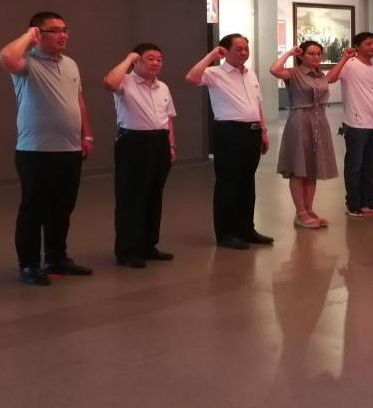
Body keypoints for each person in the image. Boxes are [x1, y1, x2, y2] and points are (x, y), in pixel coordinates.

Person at [0, 13, 94, 286]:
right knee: (34, 209)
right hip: (36, 151)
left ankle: (56, 258)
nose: (63, 35)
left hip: (69, 149)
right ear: (38, 34)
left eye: (65, 30)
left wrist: (86, 134)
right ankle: (28, 264)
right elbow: (5, 57)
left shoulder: (71, 64)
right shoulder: (25, 62)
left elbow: (78, 101)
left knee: (62, 208)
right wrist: (29, 37)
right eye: (54, 31)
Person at [185, 33, 273, 250]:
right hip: (229, 132)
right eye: (238, 49)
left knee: (247, 182)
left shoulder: (251, 74)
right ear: (225, 51)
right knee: (228, 182)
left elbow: (256, 104)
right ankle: (226, 233)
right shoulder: (214, 73)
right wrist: (212, 56)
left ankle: (246, 229)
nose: (244, 52)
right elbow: (191, 78)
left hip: (252, 131)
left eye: (246, 48)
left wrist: (263, 130)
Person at [103, 43, 177, 268]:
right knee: (130, 197)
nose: (156, 63)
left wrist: (171, 146)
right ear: (137, 60)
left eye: (159, 59)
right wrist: (128, 59)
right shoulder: (125, 82)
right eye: (150, 58)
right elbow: (109, 82)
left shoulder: (163, 87)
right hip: (133, 142)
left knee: (154, 196)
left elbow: (167, 118)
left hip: (160, 142)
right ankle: (127, 250)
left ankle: (148, 245)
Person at [270, 41, 338, 229]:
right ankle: (300, 212)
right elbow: (274, 70)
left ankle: (308, 209)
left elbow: (333, 77)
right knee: (298, 168)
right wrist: (289, 53)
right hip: (300, 122)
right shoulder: (294, 73)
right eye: (311, 53)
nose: (316, 57)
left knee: (312, 168)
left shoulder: (320, 75)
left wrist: (346, 58)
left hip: (319, 121)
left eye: (319, 54)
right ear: (302, 55)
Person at [326, 32, 373, 218]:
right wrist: (344, 58)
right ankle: (353, 203)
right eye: (368, 44)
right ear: (357, 46)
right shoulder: (349, 65)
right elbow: (329, 78)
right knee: (355, 165)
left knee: (372, 165)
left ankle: (368, 201)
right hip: (355, 124)